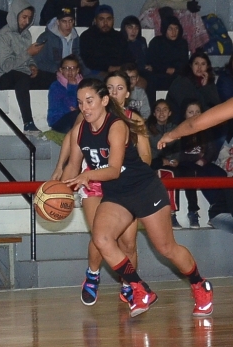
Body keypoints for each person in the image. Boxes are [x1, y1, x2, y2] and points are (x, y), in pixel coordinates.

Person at [62, 77, 213, 318]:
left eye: (89, 101)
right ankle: (139, 287)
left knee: (166, 248)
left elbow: (113, 169)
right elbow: (72, 166)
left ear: (104, 100)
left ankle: (199, 284)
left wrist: (86, 176)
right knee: (101, 239)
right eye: (80, 103)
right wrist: (57, 188)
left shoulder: (117, 125)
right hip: (116, 195)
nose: (85, 107)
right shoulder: (80, 130)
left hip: (143, 189)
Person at [53, 71, 151, 306]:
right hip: (94, 180)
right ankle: (93, 275)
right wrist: (59, 183)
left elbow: (146, 157)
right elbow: (71, 144)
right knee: (101, 234)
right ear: (104, 94)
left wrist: (134, 172)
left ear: (127, 93)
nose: (114, 92)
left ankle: (128, 284)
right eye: (110, 87)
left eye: (119, 88)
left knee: (128, 241)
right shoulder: (88, 117)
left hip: (124, 182)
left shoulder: (132, 120)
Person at [0, 0, 56, 134]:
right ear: (15, 15)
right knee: (22, 78)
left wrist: (32, 65)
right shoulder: (1, 36)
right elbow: (7, 66)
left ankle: (59, 120)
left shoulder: (26, 34)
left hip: (24, 72)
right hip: (5, 77)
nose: (26, 21)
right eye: (24, 17)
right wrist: (28, 53)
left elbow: (29, 59)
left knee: (54, 78)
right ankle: (28, 123)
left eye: (29, 18)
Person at [176, 98, 227, 228]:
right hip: (186, 164)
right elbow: (177, 154)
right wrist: (195, 159)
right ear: (184, 114)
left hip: (203, 162)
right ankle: (196, 212)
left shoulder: (206, 130)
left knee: (220, 174)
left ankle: (218, 210)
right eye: (190, 112)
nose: (194, 115)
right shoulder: (179, 130)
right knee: (195, 174)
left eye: (197, 112)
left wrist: (203, 160)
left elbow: (211, 150)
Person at [146, 99, 182, 229]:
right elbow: (150, 152)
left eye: (165, 109)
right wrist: (163, 160)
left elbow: (178, 147)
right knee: (167, 174)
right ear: (154, 113)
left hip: (170, 163)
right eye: (158, 109)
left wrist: (175, 159)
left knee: (176, 172)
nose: (161, 112)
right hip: (152, 163)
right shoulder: (147, 129)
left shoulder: (175, 128)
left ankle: (172, 214)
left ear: (170, 112)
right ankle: (168, 214)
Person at [79, 4, 133, 80]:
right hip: (95, 72)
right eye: (101, 19)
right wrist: (107, 68)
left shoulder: (119, 36)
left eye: (109, 19)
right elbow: (88, 60)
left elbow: (128, 57)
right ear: (95, 20)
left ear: (113, 20)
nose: (105, 23)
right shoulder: (87, 36)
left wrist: (121, 68)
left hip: (120, 71)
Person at [166, 50, 221, 125]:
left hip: (201, 120)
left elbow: (216, 104)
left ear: (207, 67)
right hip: (180, 122)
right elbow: (191, 107)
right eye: (196, 64)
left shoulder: (208, 82)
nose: (199, 67)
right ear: (191, 66)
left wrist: (205, 87)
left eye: (203, 64)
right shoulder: (182, 81)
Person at [34, 8, 87, 76]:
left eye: (70, 21)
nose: (68, 25)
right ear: (58, 22)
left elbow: (80, 59)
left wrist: (85, 73)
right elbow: (38, 62)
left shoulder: (76, 38)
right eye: (64, 21)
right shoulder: (45, 37)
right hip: (51, 73)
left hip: (72, 73)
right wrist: (57, 70)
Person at [147, 15, 189, 95]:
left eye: (176, 28)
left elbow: (184, 64)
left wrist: (174, 70)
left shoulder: (182, 43)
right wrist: (165, 69)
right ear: (165, 29)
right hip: (159, 74)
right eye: (170, 29)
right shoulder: (156, 42)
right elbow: (151, 62)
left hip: (177, 75)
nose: (173, 32)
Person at [47, 55, 82, 134]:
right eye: (66, 68)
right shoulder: (56, 86)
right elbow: (69, 106)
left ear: (77, 70)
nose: (70, 71)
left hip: (76, 118)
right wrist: (72, 87)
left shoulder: (83, 85)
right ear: (61, 70)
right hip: (59, 121)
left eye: (73, 68)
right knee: (77, 115)